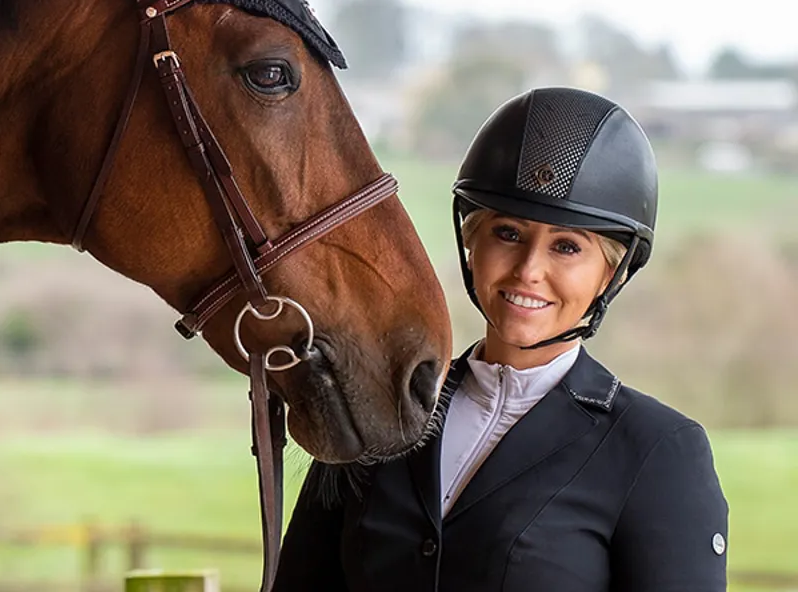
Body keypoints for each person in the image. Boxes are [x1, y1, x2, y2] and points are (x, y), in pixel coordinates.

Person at [273, 86, 729, 592]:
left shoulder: (659, 453)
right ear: (472, 241)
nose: (529, 270)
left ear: (612, 274)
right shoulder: (379, 407)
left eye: (567, 247)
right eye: (508, 233)